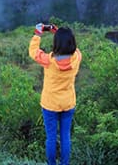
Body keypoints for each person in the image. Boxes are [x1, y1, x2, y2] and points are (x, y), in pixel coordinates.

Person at [29, 23, 82, 165]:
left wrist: (38, 34)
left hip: (50, 104)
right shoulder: (77, 57)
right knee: (65, 137)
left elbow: (33, 51)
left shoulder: (49, 61)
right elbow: (74, 48)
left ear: (56, 43)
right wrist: (59, 33)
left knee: (51, 138)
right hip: (68, 103)